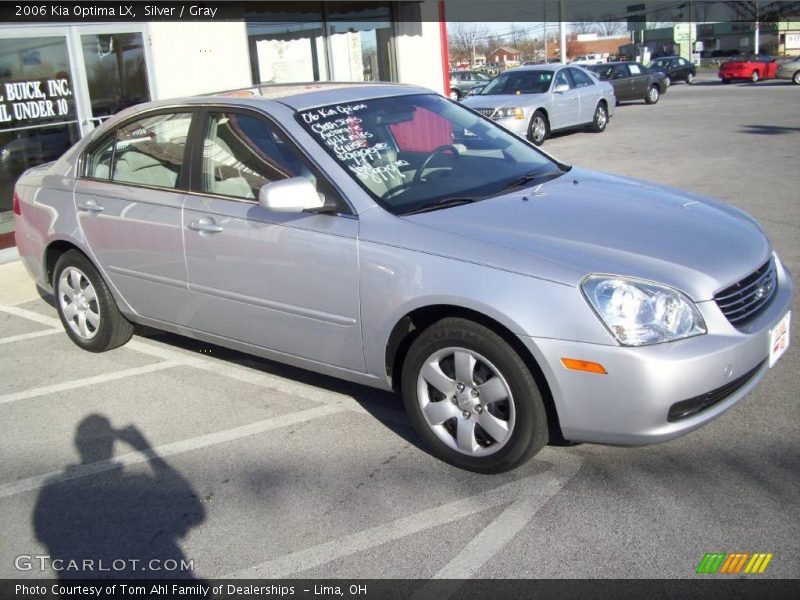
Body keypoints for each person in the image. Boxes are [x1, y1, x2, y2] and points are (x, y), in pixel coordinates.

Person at [33, 415, 205, 579]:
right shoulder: (136, 489)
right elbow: (194, 511)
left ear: (78, 445)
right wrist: (148, 451)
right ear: (112, 445)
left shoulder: (55, 494)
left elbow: (45, 533)